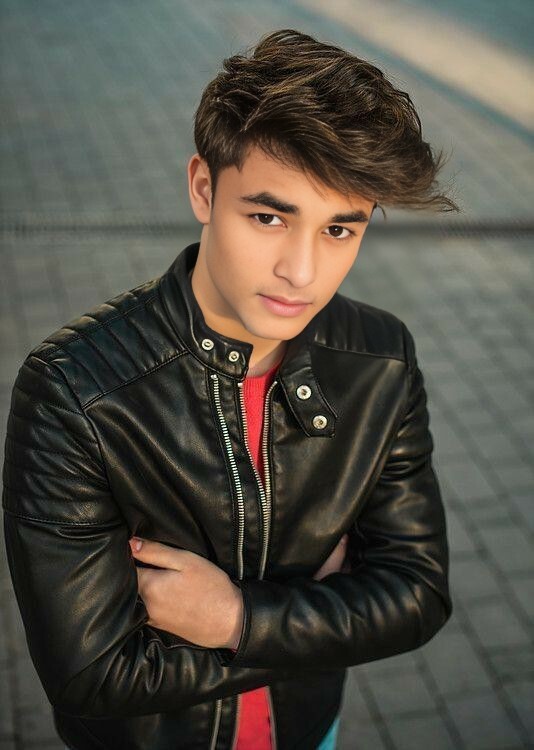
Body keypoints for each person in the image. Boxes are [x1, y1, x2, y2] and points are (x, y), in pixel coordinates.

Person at [2, 28, 457, 750]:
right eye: (269, 217)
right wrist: (322, 611)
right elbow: (92, 675)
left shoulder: (380, 359)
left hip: (309, 732)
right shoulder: (76, 390)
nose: (301, 272)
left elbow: (418, 596)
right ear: (204, 189)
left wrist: (235, 619)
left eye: (340, 230)